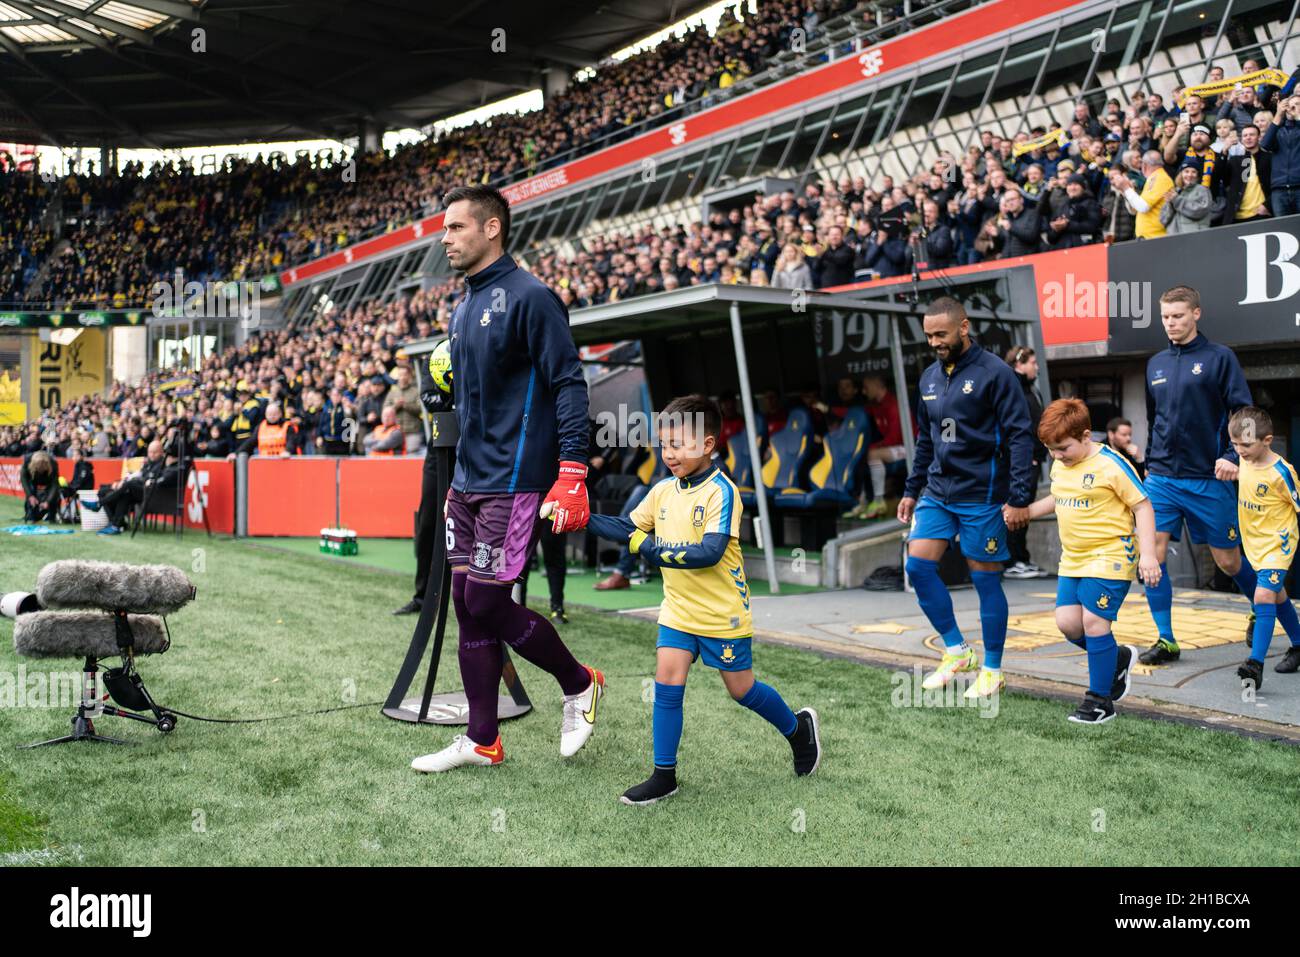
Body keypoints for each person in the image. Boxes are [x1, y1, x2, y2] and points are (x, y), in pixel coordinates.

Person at [411, 184, 604, 774]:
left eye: (455, 227)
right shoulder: (463, 307)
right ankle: (482, 739)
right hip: (468, 482)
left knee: (487, 600)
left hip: (516, 481)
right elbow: (474, 402)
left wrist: (573, 469)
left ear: (491, 228)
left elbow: (568, 382)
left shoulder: (532, 297)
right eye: (444, 229)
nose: (444, 238)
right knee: (469, 607)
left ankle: (579, 683)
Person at [582, 395, 821, 805]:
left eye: (678, 445)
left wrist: (649, 548)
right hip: (677, 610)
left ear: (707, 445)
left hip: (722, 614)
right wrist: (578, 516)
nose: (669, 454)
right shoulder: (661, 491)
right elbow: (627, 528)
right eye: (664, 445)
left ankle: (799, 730)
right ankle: (663, 775)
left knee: (741, 690)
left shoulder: (722, 493)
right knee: (667, 683)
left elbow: (708, 553)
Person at [898, 297, 1035, 698]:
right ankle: (957, 650)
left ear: (964, 327)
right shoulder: (927, 378)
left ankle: (992, 668)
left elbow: (1020, 436)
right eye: (928, 336)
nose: (935, 342)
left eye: (941, 334)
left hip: (984, 496)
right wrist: (912, 488)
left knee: (985, 581)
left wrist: (1019, 497)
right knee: (919, 568)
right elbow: (927, 440)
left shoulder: (996, 374)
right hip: (939, 492)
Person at [1139, 285, 1257, 666]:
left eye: (1178, 316)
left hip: (1210, 478)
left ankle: (1261, 604)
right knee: (1152, 556)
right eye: (1165, 317)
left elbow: (1245, 414)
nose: (1171, 323)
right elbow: (1152, 418)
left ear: (1196, 314)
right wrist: (1150, 460)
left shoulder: (1220, 358)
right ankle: (1167, 639)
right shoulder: (1155, 363)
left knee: (1229, 562)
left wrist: (1232, 456)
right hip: (1161, 478)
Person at [1026, 399, 1159, 723]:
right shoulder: (1061, 464)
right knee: (1068, 624)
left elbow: (1142, 506)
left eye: (1063, 448)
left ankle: (1100, 701)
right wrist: (1026, 512)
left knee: (1094, 623)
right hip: (1073, 557)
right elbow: (1059, 497)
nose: (1056, 456)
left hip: (1111, 553)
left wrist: (1149, 555)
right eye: (1051, 449)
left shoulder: (1112, 464)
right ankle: (1117, 658)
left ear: (1085, 436)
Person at [1227, 407, 1300, 688]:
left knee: (1264, 596)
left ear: (1267, 440)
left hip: (1277, 544)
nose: (1239, 450)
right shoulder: (1244, 460)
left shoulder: (1282, 473)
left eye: (1245, 444)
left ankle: (1255, 664)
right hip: (1253, 543)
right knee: (1277, 596)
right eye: (1234, 444)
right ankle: (1298, 644)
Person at [1004, 345, 1048, 579]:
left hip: (1033, 460)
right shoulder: (1014, 388)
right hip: (1022, 462)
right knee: (1017, 511)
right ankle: (1012, 560)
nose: (1037, 367)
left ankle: (1021, 557)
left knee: (1024, 512)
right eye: (1032, 362)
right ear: (1019, 364)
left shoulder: (1030, 389)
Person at [85, 440, 180, 535]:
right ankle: (116, 525)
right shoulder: (148, 463)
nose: (152, 454)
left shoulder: (163, 464)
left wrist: (135, 481)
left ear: (161, 452)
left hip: (151, 494)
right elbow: (140, 475)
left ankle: (99, 504)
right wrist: (124, 480)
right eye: (150, 452)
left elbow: (152, 480)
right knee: (118, 492)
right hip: (139, 489)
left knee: (129, 484)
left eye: (155, 452)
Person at [227, 401, 295, 459]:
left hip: (282, 461)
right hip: (264, 462)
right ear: (266, 414)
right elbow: (250, 442)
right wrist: (236, 453)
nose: (272, 416)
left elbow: (291, 442)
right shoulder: (261, 426)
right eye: (269, 414)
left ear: (280, 414)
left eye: (275, 414)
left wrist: (287, 451)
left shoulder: (287, 426)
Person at [384, 364, 425, 456]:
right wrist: (396, 406)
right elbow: (385, 410)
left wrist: (405, 405)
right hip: (395, 432)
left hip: (413, 431)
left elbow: (420, 409)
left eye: (404, 374)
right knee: (395, 458)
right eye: (400, 374)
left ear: (409, 375)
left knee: (412, 456)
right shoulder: (392, 392)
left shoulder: (416, 391)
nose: (402, 377)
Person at [20, 450, 60, 522]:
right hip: (33, 477)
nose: (40, 467)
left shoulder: (53, 464)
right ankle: (30, 515)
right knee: (31, 494)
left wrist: (48, 501)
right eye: (38, 465)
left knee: (54, 496)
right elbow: (24, 479)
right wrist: (30, 496)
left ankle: (52, 516)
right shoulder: (27, 460)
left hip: (47, 477)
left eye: (42, 465)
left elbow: (54, 485)